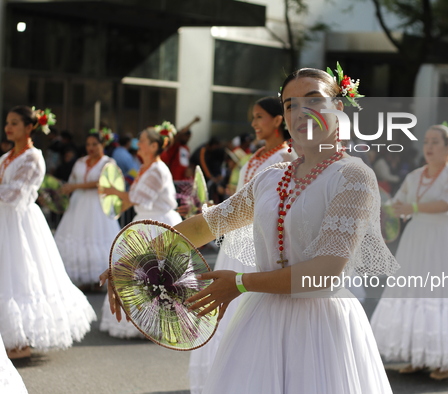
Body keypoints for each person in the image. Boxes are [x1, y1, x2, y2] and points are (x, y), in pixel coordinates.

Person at [103, 66, 398, 393]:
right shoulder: (271, 177)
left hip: (322, 328)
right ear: (284, 119)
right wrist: (131, 264)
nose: (301, 112)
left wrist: (240, 283)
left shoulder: (353, 176)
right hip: (263, 320)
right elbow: (207, 224)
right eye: (290, 105)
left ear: (338, 109)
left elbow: (324, 273)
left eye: (313, 99)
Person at [188, 96, 296, 393]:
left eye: (259, 116)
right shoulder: (257, 156)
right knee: (225, 311)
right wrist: (214, 209)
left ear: (278, 120)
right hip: (235, 238)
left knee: (247, 309)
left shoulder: (287, 157)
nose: (254, 123)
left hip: (258, 243)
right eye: (253, 117)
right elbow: (242, 201)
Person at [370, 125, 448, 380]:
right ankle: (418, 356)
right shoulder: (415, 174)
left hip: (443, 239)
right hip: (416, 238)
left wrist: (412, 206)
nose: (428, 146)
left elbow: (447, 204)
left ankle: (444, 360)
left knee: (442, 294)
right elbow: (398, 203)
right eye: (426, 141)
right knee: (413, 293)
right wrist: (386, 208)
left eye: (435, 141)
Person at [0, 106, 96, 358]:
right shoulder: (6, 156)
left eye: (14, 123)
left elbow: (14, 194)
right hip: (3, 219)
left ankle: (20, 341)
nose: (8, 127)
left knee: (22, 273)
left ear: (30, 127)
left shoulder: (34, 157)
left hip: (20, 222)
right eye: (7, 122)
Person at [99, 123, 183, 338]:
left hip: (159, 225)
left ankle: (157, 322)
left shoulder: (157, 169)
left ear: (154, 145)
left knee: (155, 275)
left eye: (143, 140)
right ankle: (140, 321)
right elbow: (135, 202)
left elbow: (138, 198)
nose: (139, 143)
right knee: (139, 275)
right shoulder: (146, 168)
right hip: (145, 222)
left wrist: (113, 192)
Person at [53, 129, 121, 288]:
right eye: (88, 144)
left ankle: (100, 279)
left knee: (97, 237)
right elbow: (72, 181)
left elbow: (101, 182)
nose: (91, 147)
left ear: (102, 144)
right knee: (76, 236)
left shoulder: (108, 162)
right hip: (78, 205)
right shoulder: (80, 161)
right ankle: (81, 279)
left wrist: (76, 186)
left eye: (94, 144)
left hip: (98, 206)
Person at [161, 116, 200, 181]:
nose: (187, 139)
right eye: (186, 136)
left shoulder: (186, 148)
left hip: (185, 181)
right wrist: (193, 122)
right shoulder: (175, 145)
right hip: (175, 179)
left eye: (188, 137)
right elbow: (181, 132)